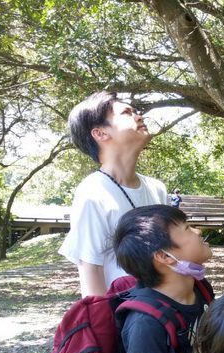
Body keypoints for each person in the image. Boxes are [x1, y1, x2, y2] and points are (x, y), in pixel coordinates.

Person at [60, 91, 168, 298]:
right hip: (125, 319)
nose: (139, 116)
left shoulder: (157, 188)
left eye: (136, 111)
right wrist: (103, 326)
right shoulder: (93, 192)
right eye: (127, 113)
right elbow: (91, 269)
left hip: (165, 314)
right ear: (100, 133)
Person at [113, 205, 214, 353]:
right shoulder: (145, 325)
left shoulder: (200, 288)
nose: (198, 231)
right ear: (164, 256)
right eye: (187, 228)